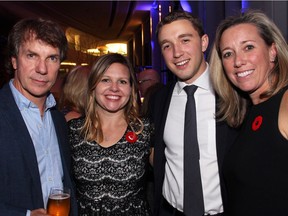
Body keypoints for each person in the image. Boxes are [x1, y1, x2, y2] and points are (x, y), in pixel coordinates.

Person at [149, 10, 238, 216]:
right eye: (167, 46)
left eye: (185, 40)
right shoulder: (159, 99)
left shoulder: (233, 94)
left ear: (204, 42)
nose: (177, 52)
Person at [209, 10, 288, 215]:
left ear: (272, 51)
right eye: (228, 53)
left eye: (249, 47)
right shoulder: (247, 113)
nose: (238, 61)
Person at [0, 18, 78, 216]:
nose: (42, 69)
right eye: (32, 55)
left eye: (52, 58)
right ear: (14, 60)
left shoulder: (59, 120)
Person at [68, 53, 154, 215]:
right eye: (105, 80)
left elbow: (170, 175)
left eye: (122, 81)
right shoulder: (73, 130)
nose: (114, 88)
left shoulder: (145, 129)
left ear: (131, 89)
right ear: (93, 86)